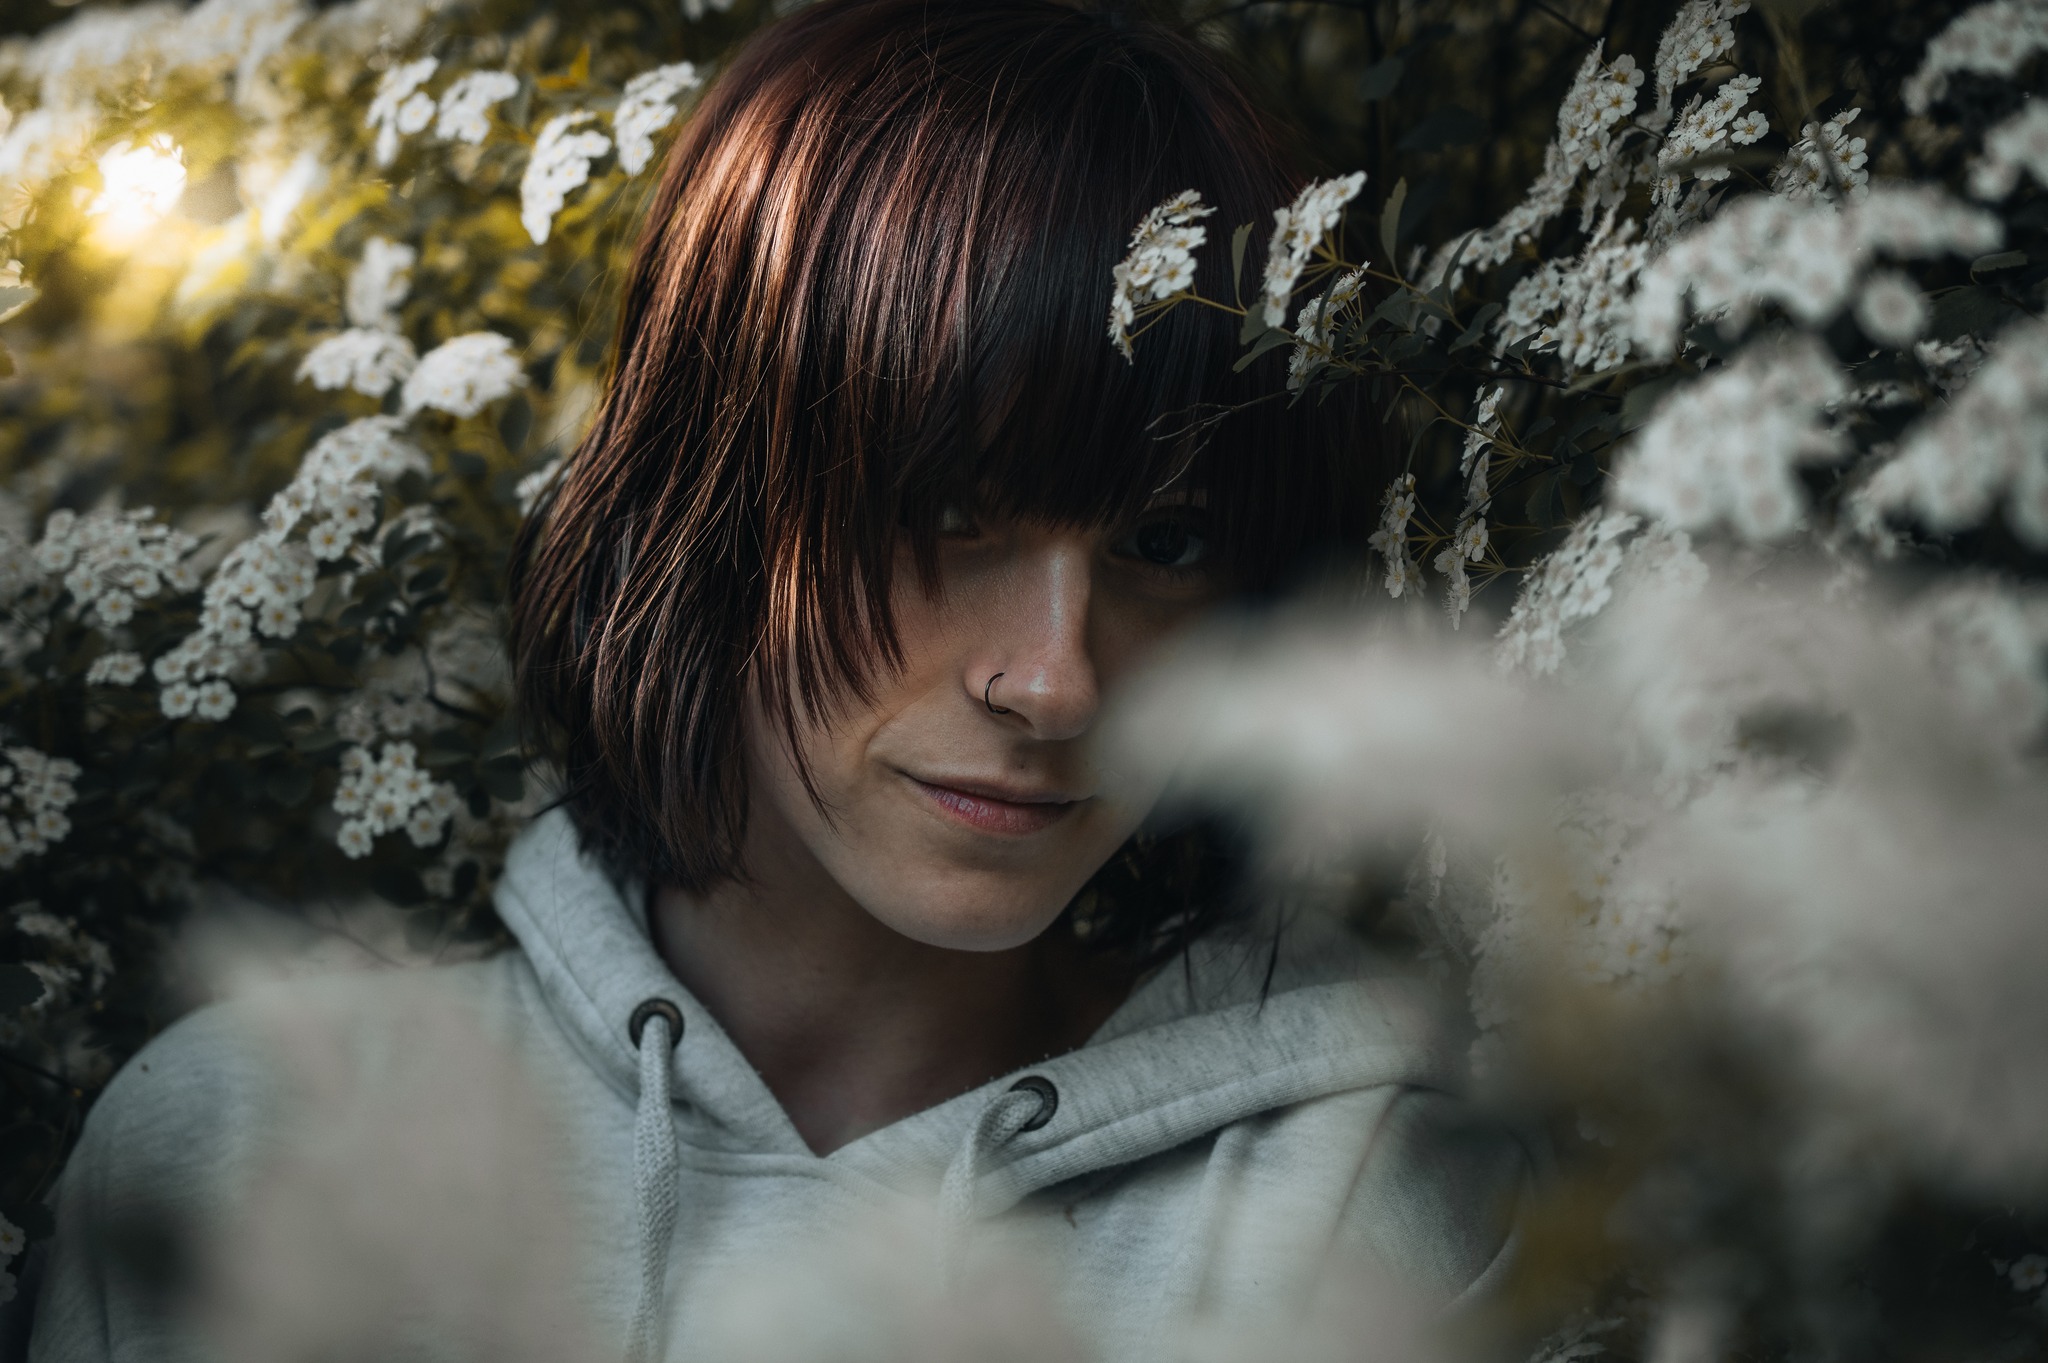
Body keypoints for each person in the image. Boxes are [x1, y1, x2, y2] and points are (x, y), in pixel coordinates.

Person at [27, 2, 1529, 1358]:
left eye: (1167, 538)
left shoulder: (1356, 1206)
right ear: (710, 495)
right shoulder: (243, 1149)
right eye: (948, 512)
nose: (1057, 681)